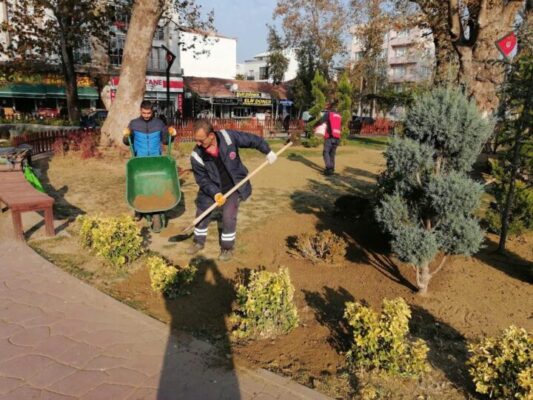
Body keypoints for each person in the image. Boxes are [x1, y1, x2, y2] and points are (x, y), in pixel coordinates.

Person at [188, 119, 277, 262]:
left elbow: (252, 140)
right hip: (211, 188)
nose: (198, 144)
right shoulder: (196, 156)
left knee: (229, 217)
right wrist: (215, 193)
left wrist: (268, 151)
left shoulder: (228, 138)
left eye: (201, 140)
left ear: (211, 136)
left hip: (233, 186)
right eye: (196, 140)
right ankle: (198, 241)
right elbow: (202, 179)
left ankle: (227, 248)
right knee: (202, 213)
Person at [122, 100, 177, 222]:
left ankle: (159, 206)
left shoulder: (159, 123)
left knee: (155, 183)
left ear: (152, 112)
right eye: (144, 113)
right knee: (140, 185)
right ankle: (138, 210)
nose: (146, 115)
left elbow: (164, 140)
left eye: (148, 113)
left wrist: (171, 134)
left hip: (155, 159)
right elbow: (127, 142)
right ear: (140, 111)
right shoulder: (134, 124)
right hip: (140, 159)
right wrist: (127, 135)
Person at [319, 101, 342, 176]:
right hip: (337, 137)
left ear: (330, 107)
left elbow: (321, 121)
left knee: (326, 152)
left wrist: (313, 126)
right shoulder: (339, 115)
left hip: (329, 137)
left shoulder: (328, 114)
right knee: (332, 153)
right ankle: (332, 168)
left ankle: (328, 168)